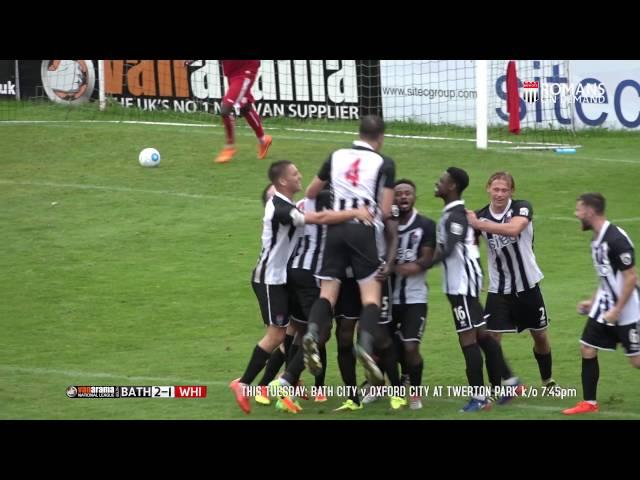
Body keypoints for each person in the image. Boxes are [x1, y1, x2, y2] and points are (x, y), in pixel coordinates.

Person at [229, 160, 373, 414]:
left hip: (286, 277)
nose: (300, 176)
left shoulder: (296, 203)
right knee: (301, 333)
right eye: (295, 173)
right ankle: (257, 384)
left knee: (296, 330)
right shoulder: (291, 207)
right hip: (278, 278)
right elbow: (316, 218)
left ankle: (276, 384)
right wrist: (356, 213)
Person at [302, 115, 406, 410]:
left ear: (358, 133)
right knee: (371, 297)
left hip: (334, 229)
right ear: (381, 137)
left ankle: (311, 333)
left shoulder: (336, 155)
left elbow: (311, 192)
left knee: (327, 294)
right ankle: (366, 345)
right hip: (362, 230)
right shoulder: (384, 163)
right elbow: (384, 211)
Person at [422, 167, 512, 413]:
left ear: (452, 186)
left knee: (468, 339)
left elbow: (449, 249)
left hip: (461, 284)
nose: (437, 183)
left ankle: (479, 397)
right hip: (463, 282)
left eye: (442, 180)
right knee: (482, 335)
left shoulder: (456, 216)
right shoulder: (455, 213)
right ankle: (509, 383)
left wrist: (418, 266)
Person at [466, 172, 555, 398]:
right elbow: (471, 245)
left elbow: (514, 229)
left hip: (528, 286)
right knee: (491, 338)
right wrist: (478, 272)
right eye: (495, 189)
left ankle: (547, 380)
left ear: (511, 192)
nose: (499, 194)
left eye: (504, 190)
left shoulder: (521, 208)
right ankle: (497, 388)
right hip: (499, 288)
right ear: (488, 188)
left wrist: (479, 224)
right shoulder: (480, 216)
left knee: (540, 336)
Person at [563, 193, 640, 415]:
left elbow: (631, 277)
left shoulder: (615, 240)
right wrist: (593, 301)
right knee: (587, 348)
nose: (576, 215)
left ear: (590, 211)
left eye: (579, 210)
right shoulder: (597, 239)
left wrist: (617, 310)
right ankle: (589, 403)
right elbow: (606, 277)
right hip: (605, 308)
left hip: (628, 310)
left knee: (636, 361)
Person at [389, 179, 436, 410]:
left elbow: (426, 260)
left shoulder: (426, 225)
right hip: (386, 297)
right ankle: (383, 385)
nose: (403, 197)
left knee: (410, 347)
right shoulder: (386, 224)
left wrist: (395, 267)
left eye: (408, 193)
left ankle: (415, 393)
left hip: (415, 298)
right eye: (398, 194)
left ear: (414, 197)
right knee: (384, 347)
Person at [185, 60, 272, 164]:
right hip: (231, 72)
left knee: (225, 110)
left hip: (245, 71)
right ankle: (263, 140)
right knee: (244, 106)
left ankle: (229, 147)